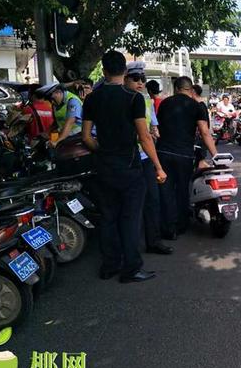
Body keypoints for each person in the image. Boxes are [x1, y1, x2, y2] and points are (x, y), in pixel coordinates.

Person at [82, 50, 166, 283]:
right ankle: (130, 269)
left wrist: (101, 150)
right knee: (130, 218)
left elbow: (86, 137)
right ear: (125, 71)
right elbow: (144, 137)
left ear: (104, 70)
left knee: (108, 216)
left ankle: (110, 265)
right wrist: (158, 167)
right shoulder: (133, 98)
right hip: (129, 166)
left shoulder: (92, 98)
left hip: (103, 166)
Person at [157, 76, 218, 239]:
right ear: (190, 90)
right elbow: (205, 132)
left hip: (163, 152)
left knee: (166, 191)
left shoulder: (164, 103)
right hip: (184, 154)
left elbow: (158, 128)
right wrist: (216, 155)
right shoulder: (196, 106)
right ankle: (181, 225)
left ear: (176, 88)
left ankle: (168, 228)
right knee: (183, 189)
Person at [124, 61, 173, 256]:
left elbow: (153, 129)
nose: (140, 83)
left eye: (143, 79)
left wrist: (154, 131)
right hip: (127, 158)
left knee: (153, 199)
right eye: (135, 79)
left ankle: (153, 241)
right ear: (125, 79)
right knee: (129, 205)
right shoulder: (120, 99)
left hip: (144, 157)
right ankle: (130, 249)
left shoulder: (146, 101)